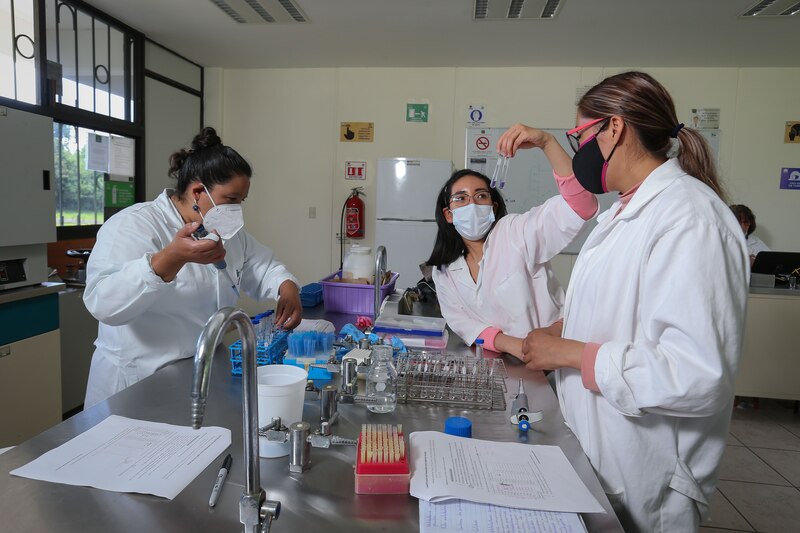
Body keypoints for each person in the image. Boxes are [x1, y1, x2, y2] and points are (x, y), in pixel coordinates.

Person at [518, 72, 749, 532]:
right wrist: (561, 330)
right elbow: (621, 311)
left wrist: (567, 353)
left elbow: (697, 375)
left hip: (648, 473)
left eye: (579, 136)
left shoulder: (690, 219)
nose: (578, 148)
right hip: (602, 450)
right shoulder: (624, 212)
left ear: (615, 129)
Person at [83, 127, 302, 408]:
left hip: (199, 371)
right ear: (198, 191)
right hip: (137, 382)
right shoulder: (134, 225)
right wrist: (170, 259)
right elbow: (104, 304)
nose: (237, 210)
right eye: (231, 200)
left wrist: (287, 288)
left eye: (241, 202)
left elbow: (263, 266)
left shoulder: (225, 232)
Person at [427, 143, 597, 359]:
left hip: (556, 357)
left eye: (481, 196)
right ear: (448, 215)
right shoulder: (444, 270)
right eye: (461, 198)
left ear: (493, 207)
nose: (472, 204)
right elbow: (460, 322)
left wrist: (546, 142)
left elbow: (581, 206)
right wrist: (513, 345)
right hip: (504, 360)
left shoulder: (515, 232)